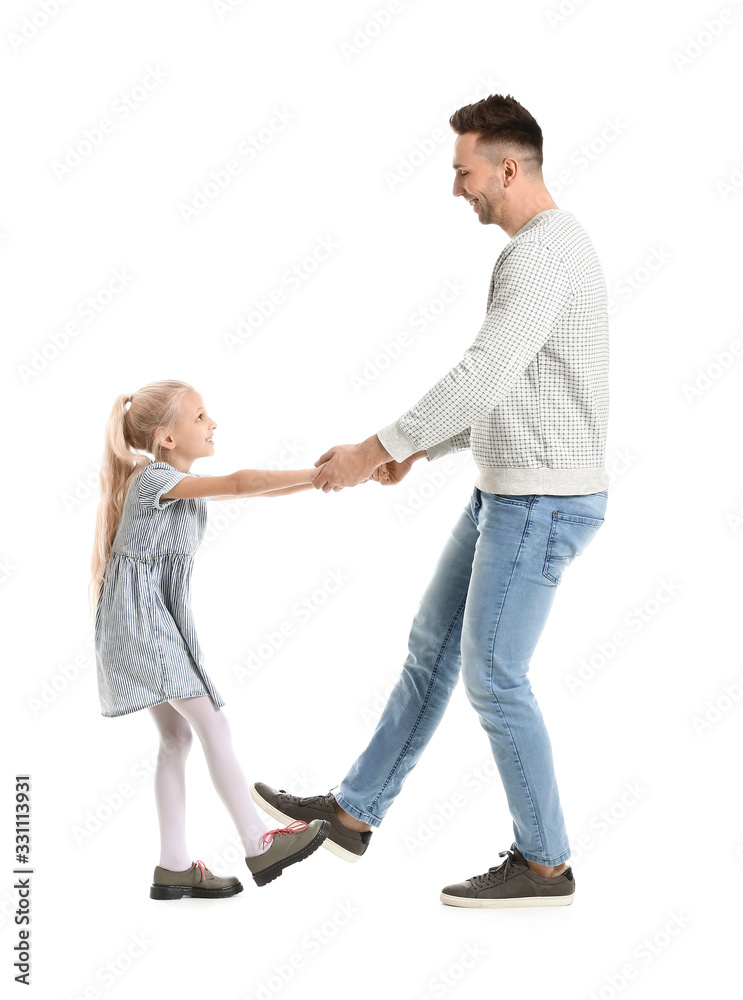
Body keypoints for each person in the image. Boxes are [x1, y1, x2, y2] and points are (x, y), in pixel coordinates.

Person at [251, 93, 610, 908]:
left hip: (539, 504)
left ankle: (545, 863)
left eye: (464, 172)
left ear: (506, 167)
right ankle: (351, 814)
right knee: (432, 649)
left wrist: (375, 448)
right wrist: (420, 449)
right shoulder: (542, 249)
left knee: (492, 675)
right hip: (508, 495)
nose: (457, 189)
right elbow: (512, 391)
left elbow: (481, 375)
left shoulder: (542, 254)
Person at [89, 379, 332, 898]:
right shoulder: (154, 478)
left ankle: (174, 866)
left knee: (177, 738)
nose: (213, 423)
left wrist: (321, 480)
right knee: (212, 724)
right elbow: (243, 483)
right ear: (167, 438)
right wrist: (315, 474)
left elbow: (253, 488)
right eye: (200, 417)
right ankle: (258, 841)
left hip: (147, 620)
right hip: (142, 623)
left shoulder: (170, 479)